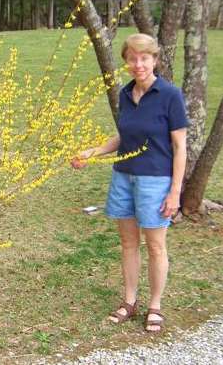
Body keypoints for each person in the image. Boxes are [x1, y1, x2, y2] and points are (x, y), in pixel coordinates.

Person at [71, 33, 188, 333]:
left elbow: (180, 147)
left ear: (155, 60)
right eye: (132, 59)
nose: (139, 64)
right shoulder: (125, 94)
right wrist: (92, 152)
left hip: (155, 181)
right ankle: (129, 301)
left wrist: (175, 192)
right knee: (127, 243)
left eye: (144, 58)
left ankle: (156, 306)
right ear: (126, 62)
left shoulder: (170, 95)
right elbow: (124, 136)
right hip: (123, 177)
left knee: (156, 247)